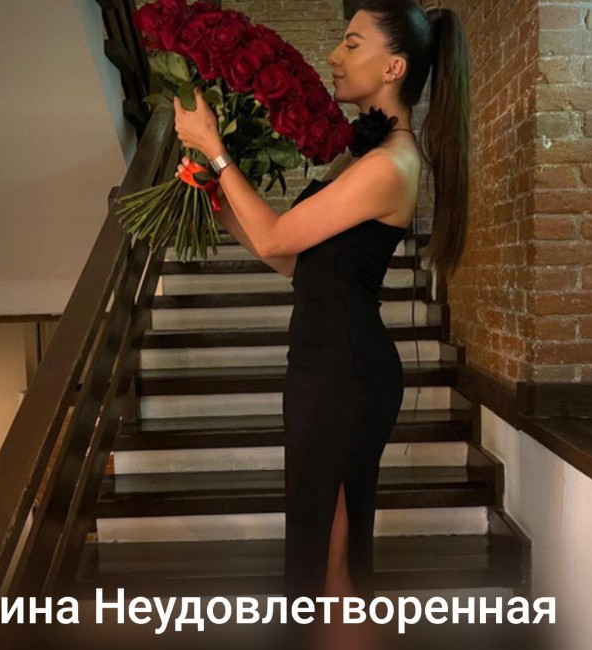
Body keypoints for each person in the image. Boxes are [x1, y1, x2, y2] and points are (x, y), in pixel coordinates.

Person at [172, 1, 469, 647]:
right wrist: (213, 192)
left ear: (393, 67)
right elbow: (286, 256)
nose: (334, 56)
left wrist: (216, 151)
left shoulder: (390, 162)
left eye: (352, 43)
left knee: (327, 564)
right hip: (325, 363)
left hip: (345, 372)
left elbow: (276, 234)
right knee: (326, 558)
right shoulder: (361, 156)